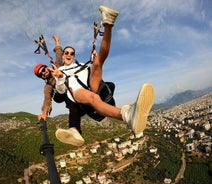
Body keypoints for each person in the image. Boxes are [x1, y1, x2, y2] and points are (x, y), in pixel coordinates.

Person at [52, 5, 155, 145]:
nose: (69, 54)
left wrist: (94, 61)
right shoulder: (61, 70)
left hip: (91, 85)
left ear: (74, 56)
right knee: (92, 97)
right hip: (76, 93)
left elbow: (93, 71)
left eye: (72, 53)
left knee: (98, 62)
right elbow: (61, 91)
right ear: (63, 55)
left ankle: (108, 24)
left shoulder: (80, 65)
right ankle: (127, 115)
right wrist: (59, 78)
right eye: (66, 53)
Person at [34, 35, 86, 147]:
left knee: (74, 106)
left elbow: (59, 53)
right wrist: (44, 113)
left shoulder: (57, 65)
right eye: (41, 74)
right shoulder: (48, 86)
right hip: (64, 94)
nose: (44, 72)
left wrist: (57, 42)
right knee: (65, 100)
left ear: (46, 67)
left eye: (43, 69)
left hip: (74, 87)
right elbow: (47, 100)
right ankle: (75, 131)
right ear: (41, 77)